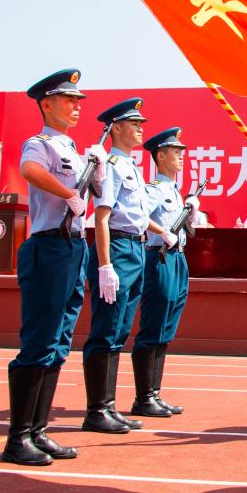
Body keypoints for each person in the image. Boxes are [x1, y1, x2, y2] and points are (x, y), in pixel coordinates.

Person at [3, 69, 107, 466]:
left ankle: (38, 430)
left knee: (60, 343)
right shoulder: (40, 143)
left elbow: (94, 194)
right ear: (47, 104)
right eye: (69, 99)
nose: (77, 106)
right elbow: (30, 172)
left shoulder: (75, 151)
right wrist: (68, 194)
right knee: (40, 341)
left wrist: (97, 171)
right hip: (49, 247)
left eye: (79, 101)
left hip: (73, 249)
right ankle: (17, 438)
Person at [83, 98, 177, 434]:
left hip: (135, 248)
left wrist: (162, 231)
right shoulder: (110, 165)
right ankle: (97, 410)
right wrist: (105, 265)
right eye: (134, 124)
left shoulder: (131, 167)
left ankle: (108, 406)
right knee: (106, 329)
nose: (140, 129)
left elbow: (137, 216)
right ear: (117, 128)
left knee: (120, 330)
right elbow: (102, 217)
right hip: (118, 248)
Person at [130, 127, 199, 418]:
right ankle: (144, 397)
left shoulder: (173, 191)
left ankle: (154, 394)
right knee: (154, 325)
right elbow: (138, 216)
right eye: (176, 152)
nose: (181, 156)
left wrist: (191, 213)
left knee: (167, 326)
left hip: (178, 259)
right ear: (160, 156)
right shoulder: (155, 189)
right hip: (160, 258)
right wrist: (162, 231)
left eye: (182, 152)